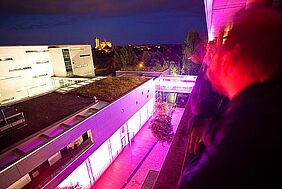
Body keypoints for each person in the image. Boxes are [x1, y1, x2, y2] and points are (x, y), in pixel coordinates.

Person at [178, 7, 282, 189]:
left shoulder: (247, 128)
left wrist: (208, 144)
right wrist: (211, 132)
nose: (215, 50)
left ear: (231, 58)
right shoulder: (263, 106)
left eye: (224, 46)